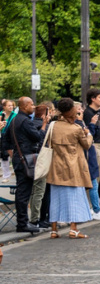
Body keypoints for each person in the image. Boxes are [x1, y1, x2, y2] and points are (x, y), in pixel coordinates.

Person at [48, 98, 94, 239]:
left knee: (55, 199)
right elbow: (86, 144)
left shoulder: (53, 126)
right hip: (72, 166)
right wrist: (89, 134)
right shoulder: (76, 129)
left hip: (55, 166)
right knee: (75, 198)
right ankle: (73, 229)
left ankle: (54, 230)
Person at [1, 97, 48, 233]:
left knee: (23, 191)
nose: (33, 107)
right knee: (24, 192)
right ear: (25, 106)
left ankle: (23, 222)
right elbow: (38, 136)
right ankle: (22, 223)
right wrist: (44, 126)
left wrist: (13, 154)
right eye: (31, 104)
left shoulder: (14, 119)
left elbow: (6, 139)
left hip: (19, 158)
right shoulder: (25, 121)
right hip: (26, 159)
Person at [29, 104, 51, 228]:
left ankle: (35, 217)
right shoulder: (44, 127)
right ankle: (37, 219)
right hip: (42, 160)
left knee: (34, 190)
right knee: (40, 191)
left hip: (31, 160)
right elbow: (42, 141)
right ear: (44, 116)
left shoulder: (30, 124)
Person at [83, 88, 100, 180]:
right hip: (94, 146)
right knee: (94, 178)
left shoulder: (97, 112)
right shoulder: (88, 113)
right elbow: (88, 132)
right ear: (93, 99)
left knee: (97, 177)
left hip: (99, 145)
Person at [0, 98, 17, 182]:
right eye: (9, 105)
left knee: (14, 155)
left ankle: (17, 174)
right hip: (3, 136)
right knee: (4, 156)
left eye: (12, 105)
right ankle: (6, 176)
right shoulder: (0, 115)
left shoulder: (15, 115)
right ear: (4, 107)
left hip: (12, 137)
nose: (11, 107)